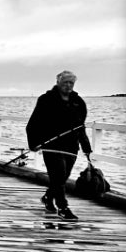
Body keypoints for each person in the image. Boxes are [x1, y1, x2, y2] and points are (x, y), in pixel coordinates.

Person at [25, 69, 92, 222]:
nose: (68, 86)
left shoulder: (78, 102)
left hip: (71, 147)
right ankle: (63, 208)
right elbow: (33, 124)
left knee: (62, 177)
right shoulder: (46, 99)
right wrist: (33, 143)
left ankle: (49, 197)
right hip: (52, 145)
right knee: (58, 175)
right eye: (65, 82)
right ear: (58, 82)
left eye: (71, 83)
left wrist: (86, 148)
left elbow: (80, 127)